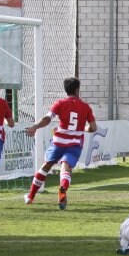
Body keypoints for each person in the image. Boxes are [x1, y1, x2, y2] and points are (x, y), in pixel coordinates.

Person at [24, 77, 97, 209]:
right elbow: (93, 128)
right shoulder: (85, 107)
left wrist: (35, 127)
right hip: (74, 143)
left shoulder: (59, 103)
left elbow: (47, 118)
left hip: (59, 141)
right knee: (66, 166)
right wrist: (84, 129)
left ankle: (30, 197)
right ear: (77, 90)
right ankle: (62, 187)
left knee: (46, 166)